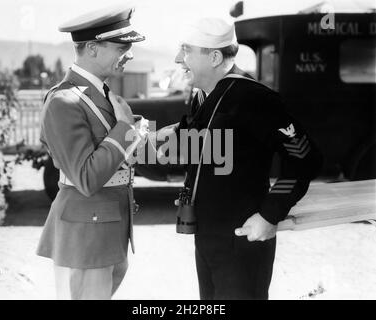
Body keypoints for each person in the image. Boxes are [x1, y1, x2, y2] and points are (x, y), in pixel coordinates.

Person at [169, 17, 323, 300]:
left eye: (186, 50)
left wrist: (270, 214)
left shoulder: (254, 98)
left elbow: (305, 158)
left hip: (242, 241)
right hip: (207, 238)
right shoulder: (203, 96)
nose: (179, 58)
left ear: (214, 57)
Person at [36, 4, 148, 300]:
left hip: (107, 230)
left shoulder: (104, 95)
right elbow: (85, 177)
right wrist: (124, 128)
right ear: (92, 48)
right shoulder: (64, 102)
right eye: (122, 46)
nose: (130, 54)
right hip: (85, 236)